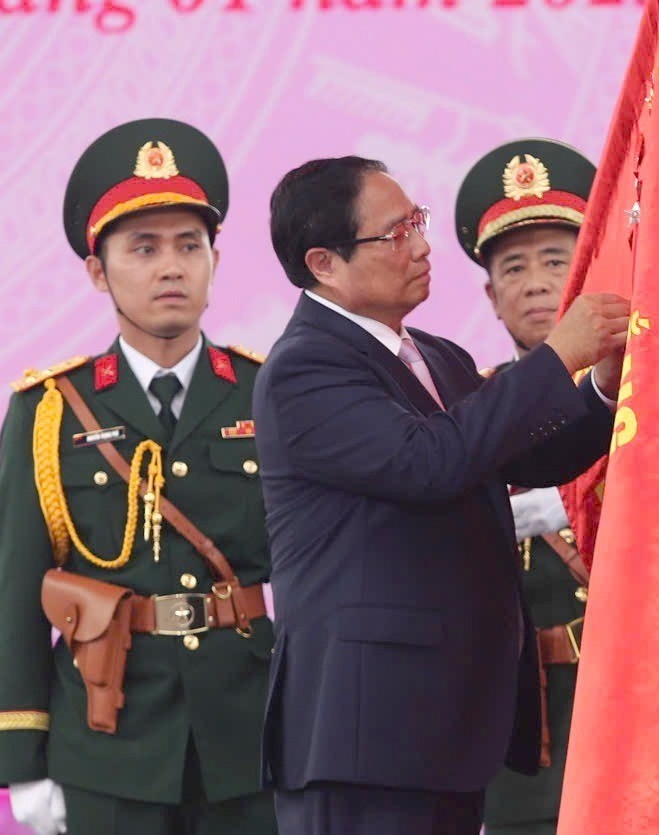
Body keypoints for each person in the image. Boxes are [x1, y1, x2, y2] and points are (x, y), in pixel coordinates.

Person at [252, 156, 630, 835]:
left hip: (443, 726)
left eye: (417, 223)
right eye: (396, 234)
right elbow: (426, 464)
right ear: (325, 264)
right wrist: (556, 358)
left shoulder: (435, 356)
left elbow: (529, 453)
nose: (423, 247)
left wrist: (601, 384)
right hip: (364, 736)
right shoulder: (304, 368)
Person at [450, 138, 659, 834]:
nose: (537, 282)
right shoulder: (470, 409)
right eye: (515, 266)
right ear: (491, 295)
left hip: (658, 690)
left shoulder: (656, 366)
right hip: (534, 718)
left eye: (556, 259)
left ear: (594, 267)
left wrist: (569, 500)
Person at [0, 119, 277, 835]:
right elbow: (18, 591)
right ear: (98, 270)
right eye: (143, 249)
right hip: (107, 745)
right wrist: (23, 757)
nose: (170, 268)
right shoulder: (52, 411)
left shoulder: (267, 393)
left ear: (214, 258)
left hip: (250, 738)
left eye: (188, 246)